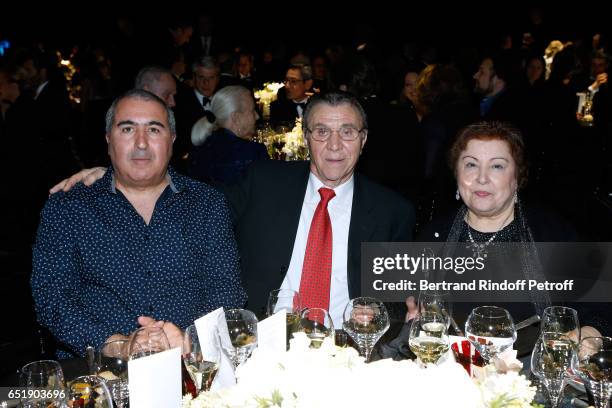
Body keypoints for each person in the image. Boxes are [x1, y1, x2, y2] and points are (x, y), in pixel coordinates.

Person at [50, 92, 415, 326]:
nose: (334, 145)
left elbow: (401, 303)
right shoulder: (264, 182)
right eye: (321, 132)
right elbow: (191, 201)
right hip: (264, 341)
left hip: (348, 346)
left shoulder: (392, 212)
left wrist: (381, 312)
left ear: (364, 139)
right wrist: (124, 172)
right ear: (305, 138)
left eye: (347, 132)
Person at [33, 89, 246, 357]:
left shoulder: (206, 204)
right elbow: (53, 298)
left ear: (173, 139)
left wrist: (191, 340)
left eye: (154, 130)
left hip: (191, 362)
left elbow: (225, 290)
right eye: (127, 130)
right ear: (109, 139)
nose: (142, 143)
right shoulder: (69, 207)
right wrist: (118, 345)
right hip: (101, 369)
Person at [417, 121, 608, 334]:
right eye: (471, 164)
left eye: (497, 166)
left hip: (532, 364)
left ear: (517, 177)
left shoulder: (553, 234)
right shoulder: (434, 234)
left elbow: (599, 307)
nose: (481, 178)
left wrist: (590, 333)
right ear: (456, 174)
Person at [189, 85, 268, 185]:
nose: (257, 116)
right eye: (252, 110)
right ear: (236, 118)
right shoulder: (252, 152)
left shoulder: (199, 148)